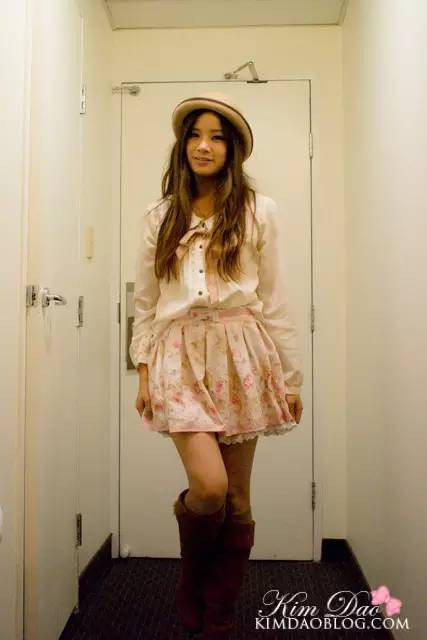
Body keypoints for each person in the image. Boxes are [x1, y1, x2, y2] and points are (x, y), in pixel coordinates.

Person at [129, 91, 304, 639]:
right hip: (178, 354)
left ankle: (219, 612)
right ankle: (192, 584)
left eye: (216, 138)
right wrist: (143, 369)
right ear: (183, 144)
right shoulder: (160, 216)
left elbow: (274, 298)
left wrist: (291, 378)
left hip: (241, 352)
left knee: (238, 497)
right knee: (208, 487)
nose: (203, 146)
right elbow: (145, 300)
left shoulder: (258, 211)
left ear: (233, 150)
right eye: (195, 135)